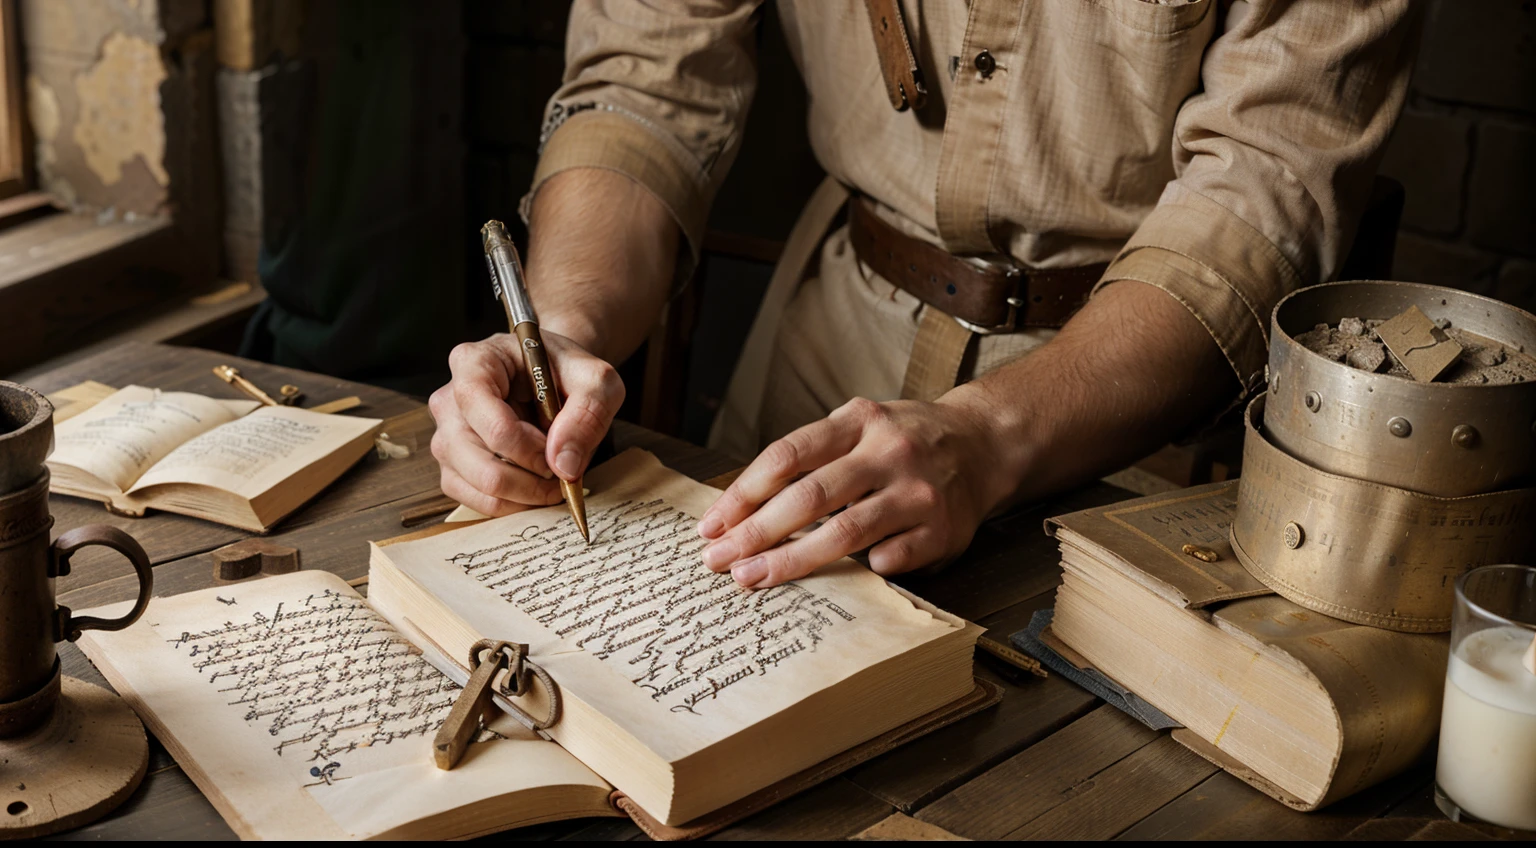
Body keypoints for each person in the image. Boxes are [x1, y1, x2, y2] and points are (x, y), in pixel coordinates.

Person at [430, 0, 1417, 590]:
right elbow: (648, 80)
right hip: (813, 372)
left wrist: (984, 435)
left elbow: (1258, 200)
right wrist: (562, 327)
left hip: (1136, 424)